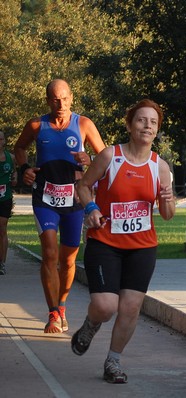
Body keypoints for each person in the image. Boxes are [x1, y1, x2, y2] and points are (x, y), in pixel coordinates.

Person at [71, 99, 175, 384]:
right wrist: (90, 208)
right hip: (105, 242)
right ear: (130, 125)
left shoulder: (160, 167)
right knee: (106, 306)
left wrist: (168, 201)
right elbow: (83, 186)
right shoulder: (109, 156)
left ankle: (113, 362)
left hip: (142, 247)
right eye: (142, 120)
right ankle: (91, 324)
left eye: (153, 122)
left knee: (130, 307)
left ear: (157, 130)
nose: (147, 126)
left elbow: (166, 215)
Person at [14, 79, 106, 333]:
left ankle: (62, 305)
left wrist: (90, 160)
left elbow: (106, 158)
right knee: (50, 253)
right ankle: (53, 313)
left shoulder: (84, 124)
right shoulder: (36, 125)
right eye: (55, 99)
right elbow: (19, 147)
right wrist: (24, 169)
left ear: (72, 98)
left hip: (75, 199)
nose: (61, 104)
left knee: (67, 260)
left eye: (65, 98)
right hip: (45, 196)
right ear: (47, 100)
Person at [0, 131, 17, 275]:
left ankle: (2, 263)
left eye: (0, 139)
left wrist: (14, 178)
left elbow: (15, 172)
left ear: (4, 141)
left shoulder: (11, 158)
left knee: (2, 229)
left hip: (5, 198)